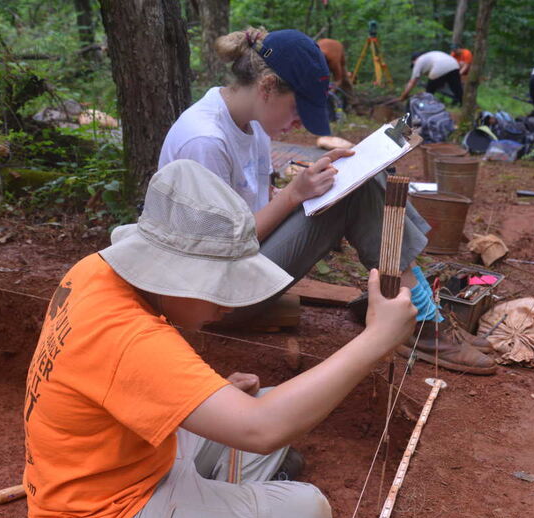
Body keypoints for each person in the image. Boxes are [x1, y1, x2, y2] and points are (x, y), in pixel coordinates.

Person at [22, 159, 417, 518]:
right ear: (169, 275)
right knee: (306, 511)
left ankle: (215, 506)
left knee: (259, 404)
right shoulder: (131, 338)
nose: (226, 305)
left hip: (126, 464)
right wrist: (375, 340)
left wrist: (211, 396)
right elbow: (263, 430)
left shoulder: (94, 272)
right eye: (217, 287)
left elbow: (112, 382)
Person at [158, 27, 496, 375]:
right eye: (296, 109)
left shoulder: (248, 123)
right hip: (213, 299)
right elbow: (213, 250)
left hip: (239, 268)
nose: (298, 121)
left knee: (360, 177)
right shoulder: (205, 140)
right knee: (358, 193)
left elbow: (245, 206)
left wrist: (315, 185)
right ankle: (423, 321)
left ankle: (421, 309)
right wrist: (293, 195)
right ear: (268, 86)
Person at [393, 50, 463, 105]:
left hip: (440, 67)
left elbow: (412, 82)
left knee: (429, 92)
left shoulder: (418, 61)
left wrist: (404, 96)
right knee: (457, 89)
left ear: (414, 60)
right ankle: (463, 103)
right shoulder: (429, 56)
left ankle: (427, 106)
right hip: (454, 65)